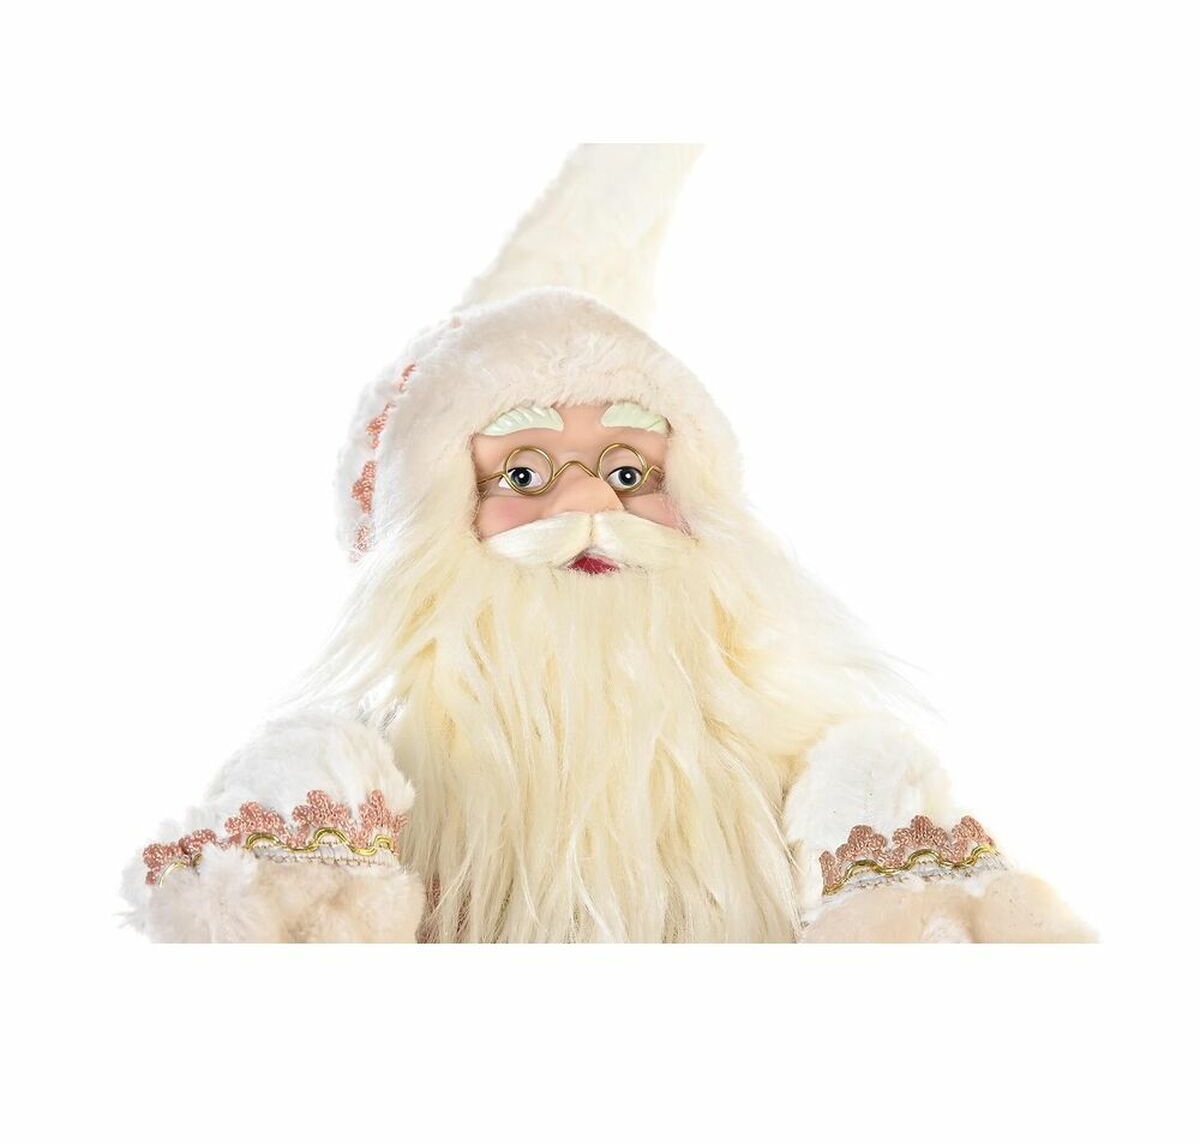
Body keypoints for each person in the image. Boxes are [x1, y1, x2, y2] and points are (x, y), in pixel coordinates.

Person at [123, 144, 1092, 943]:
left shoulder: (830, 773)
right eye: (524, 474)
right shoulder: (356, 770)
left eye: (630, 473)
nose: (592, 502)